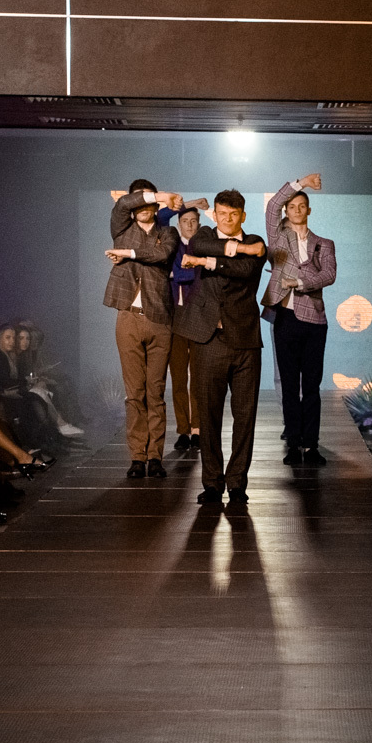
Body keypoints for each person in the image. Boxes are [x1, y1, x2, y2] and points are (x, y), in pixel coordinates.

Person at [176, 189, 267, 509]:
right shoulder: (204, 235)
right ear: (214, 214)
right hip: (208, 338)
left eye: (234, 214)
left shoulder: (257, 241)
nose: (228, 219)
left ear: (243, 216)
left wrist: (207, 262)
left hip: (245, 340)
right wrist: (235, 250)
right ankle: (212, 483)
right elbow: (199, 245)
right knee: (209, 416)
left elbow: (245, 271)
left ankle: (237, 483)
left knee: (245, 416)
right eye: (222, 214)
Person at [105, 181, 183, 479]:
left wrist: (127, 254)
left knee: (156, 392)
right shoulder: (121, 228)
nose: (142, 208)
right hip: (128, 317)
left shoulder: (168, 233)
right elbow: (122, 205)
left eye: (148, 203)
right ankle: (137, 456)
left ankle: (155, 456)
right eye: (138, 202)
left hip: (159, 319)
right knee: (134, 393)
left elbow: (161, 256)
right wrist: (158, 195)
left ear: (156, 207)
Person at [262, 174, 336, 465]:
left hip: (315, 320)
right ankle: (293, 443)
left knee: (312, 386)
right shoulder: (278, 238)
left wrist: (300, 282)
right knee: (290, 384)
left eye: (301, 206)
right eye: (291, 206)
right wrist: (302, 182)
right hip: (286, 316)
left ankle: (312, 445)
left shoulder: (323, 243)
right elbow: (272, 206)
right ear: (287, 210)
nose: (296, 210)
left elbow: (329, 274)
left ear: (309, 210)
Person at [168, 206, 205, 452]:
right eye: (185, 221)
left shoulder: (204, 247)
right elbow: (176, 274)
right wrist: (184, 272)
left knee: (198, 379)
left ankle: (197, 429)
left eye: (193, 221)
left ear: (199, 224)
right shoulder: (171, 246)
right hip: (175, 318)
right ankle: (183, 429)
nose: (189, 225)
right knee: (179, 377)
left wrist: (178, 273)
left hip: (199, 318)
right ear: (179, 224)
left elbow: (196, 276)